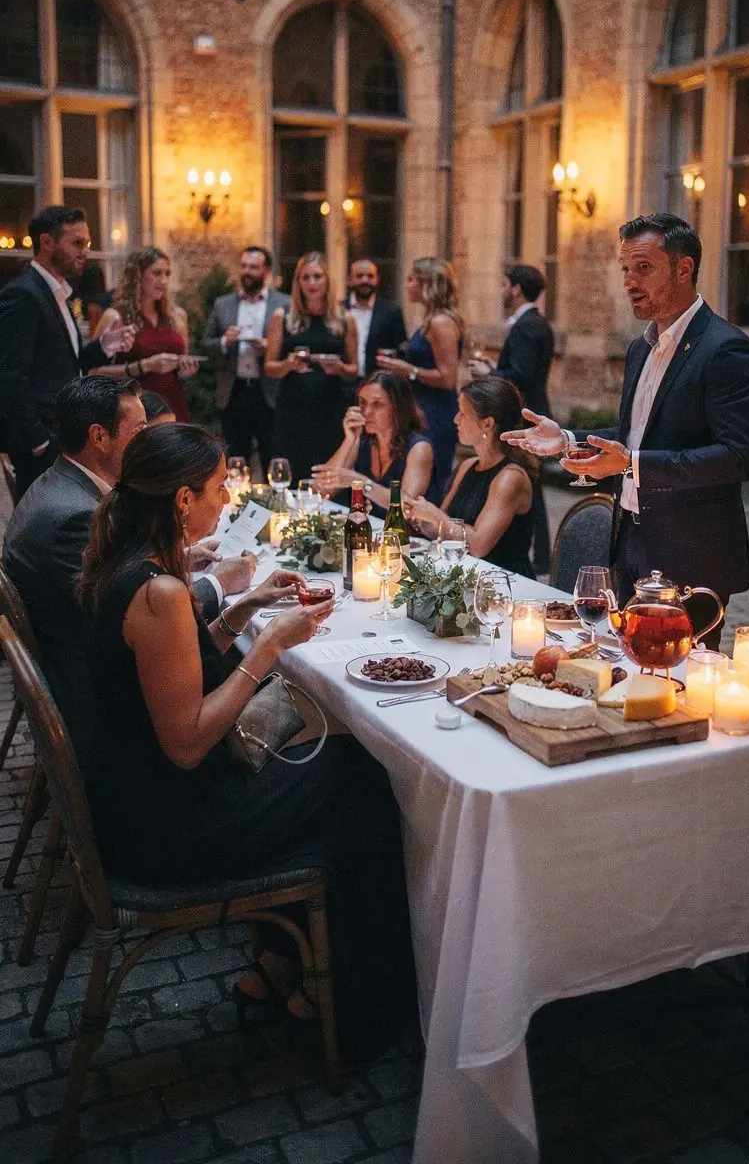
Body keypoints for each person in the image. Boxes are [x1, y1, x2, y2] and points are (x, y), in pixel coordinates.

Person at [77, 423, 415, 1055]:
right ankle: (353, 1005)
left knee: (330, 761)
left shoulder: (129, 566)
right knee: (364, 776)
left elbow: (170, 671)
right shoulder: (160, 591)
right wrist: (267, 645)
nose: (228, 498)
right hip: (166, 824)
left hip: (133, 796)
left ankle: (278, 964)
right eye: (218, 486)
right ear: (181, 499)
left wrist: (242, 605)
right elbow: (187, 741)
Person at [502, 214, 749, 642]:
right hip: (628, 539)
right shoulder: (640, 348)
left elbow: (737, 457)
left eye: (643, 268)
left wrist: (633, 464)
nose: (629, 280)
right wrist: (569, 439)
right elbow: (635, 434)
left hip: (689, 552)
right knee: (624, 672)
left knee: (675, 689)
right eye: (625, 268)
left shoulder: (728, 349)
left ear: (685, 268)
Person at [2, 379, 255, 764]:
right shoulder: (74, 514)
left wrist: (178, 559)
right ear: (99, 437)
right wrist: (219, 585)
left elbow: (117, 575)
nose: (149, 437)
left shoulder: (61, 485)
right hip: (97, 704)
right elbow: (130, 604)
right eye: (140, 429)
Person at [0, 207, 135, 498]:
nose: (86, 251)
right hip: (41, 444)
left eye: (86, 243)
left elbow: (64, 363)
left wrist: (103, 346)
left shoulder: (58, 292)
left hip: (61, 434)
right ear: (47, 242)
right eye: (77, 243)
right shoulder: (23, 294)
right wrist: (39, 442)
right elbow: (10, 375)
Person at [404, 377, 535, 577]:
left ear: (487, 424)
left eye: (463, 413)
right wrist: (418, 516)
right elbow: (443, 530)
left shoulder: (510, 478)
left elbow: (478, 545)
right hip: (466, 575)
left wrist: (433, 514)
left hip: (504, 583)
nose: (456, 419)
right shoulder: (467, 466)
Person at [470, 264, 554, 573]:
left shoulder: (527, 326)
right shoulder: (534, 323)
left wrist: (488, 373)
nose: (502, 290)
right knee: (534, 487)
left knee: (529, 485)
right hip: (534, 411)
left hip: (527, 416)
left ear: (516, 288)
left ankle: (540, 556)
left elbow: (521, 377)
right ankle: (543, 555)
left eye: (504, 284)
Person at [264, 252, 358, 485]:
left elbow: (355, 368)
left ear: (327, 280)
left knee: (327, 474)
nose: (312, 283)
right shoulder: (282, 316)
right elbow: (269, 367)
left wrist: (339, 368)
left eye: (317, 277)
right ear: (298, 282)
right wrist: (288, 364)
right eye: (305, 278)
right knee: (292, 470)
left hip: (331, 407)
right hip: (293, 408)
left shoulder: (345, 318)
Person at [376, 257, 464, 497]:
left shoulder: (440, 322)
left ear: (428, 283)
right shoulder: (430, 318)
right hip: (421, 406)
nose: (407, 285)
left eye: (412, 279)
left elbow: (447, 378)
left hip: (435, 411)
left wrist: (408, 370)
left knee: (430, 478)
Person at [201, 246, 289, 478]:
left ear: (266, 270)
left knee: (273, 458)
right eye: (244, 266)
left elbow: (291, 346)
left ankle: (274, 509)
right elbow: (205, 345)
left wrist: (270, 348)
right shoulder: (223, 304)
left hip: (268, 392)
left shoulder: (284, 304)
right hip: (234, 391)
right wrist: (224, 341)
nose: (247, 271)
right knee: (234, 461)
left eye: (254, 267)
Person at [92, 247, 198, 421]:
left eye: (167, 274)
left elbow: (181, 363)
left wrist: (186, 370)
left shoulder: (177, 316)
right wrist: (145, 365)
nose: (163, 281)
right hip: (134, 407)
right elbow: (94, 372)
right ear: (137, 276)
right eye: (157, 273)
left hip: (173, 404)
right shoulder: (115, 316)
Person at [312, 371, 434, 518]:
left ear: (397, 408)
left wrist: (363, 484)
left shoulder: (419, 448)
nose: (367, 412)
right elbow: (322, 491)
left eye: (377, 404)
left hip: (408, 537)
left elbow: (406, 507)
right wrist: (349, 441)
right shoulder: (362, 442)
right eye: (362, 403)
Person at [343, 258, 406, 380]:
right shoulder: (339, 310)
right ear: (349, 280)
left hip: (379, 383)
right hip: (343, 386)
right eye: (359, 276)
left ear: (377, 280)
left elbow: (400, 351)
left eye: (370, 276)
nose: (365, 280)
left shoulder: (392, 312)